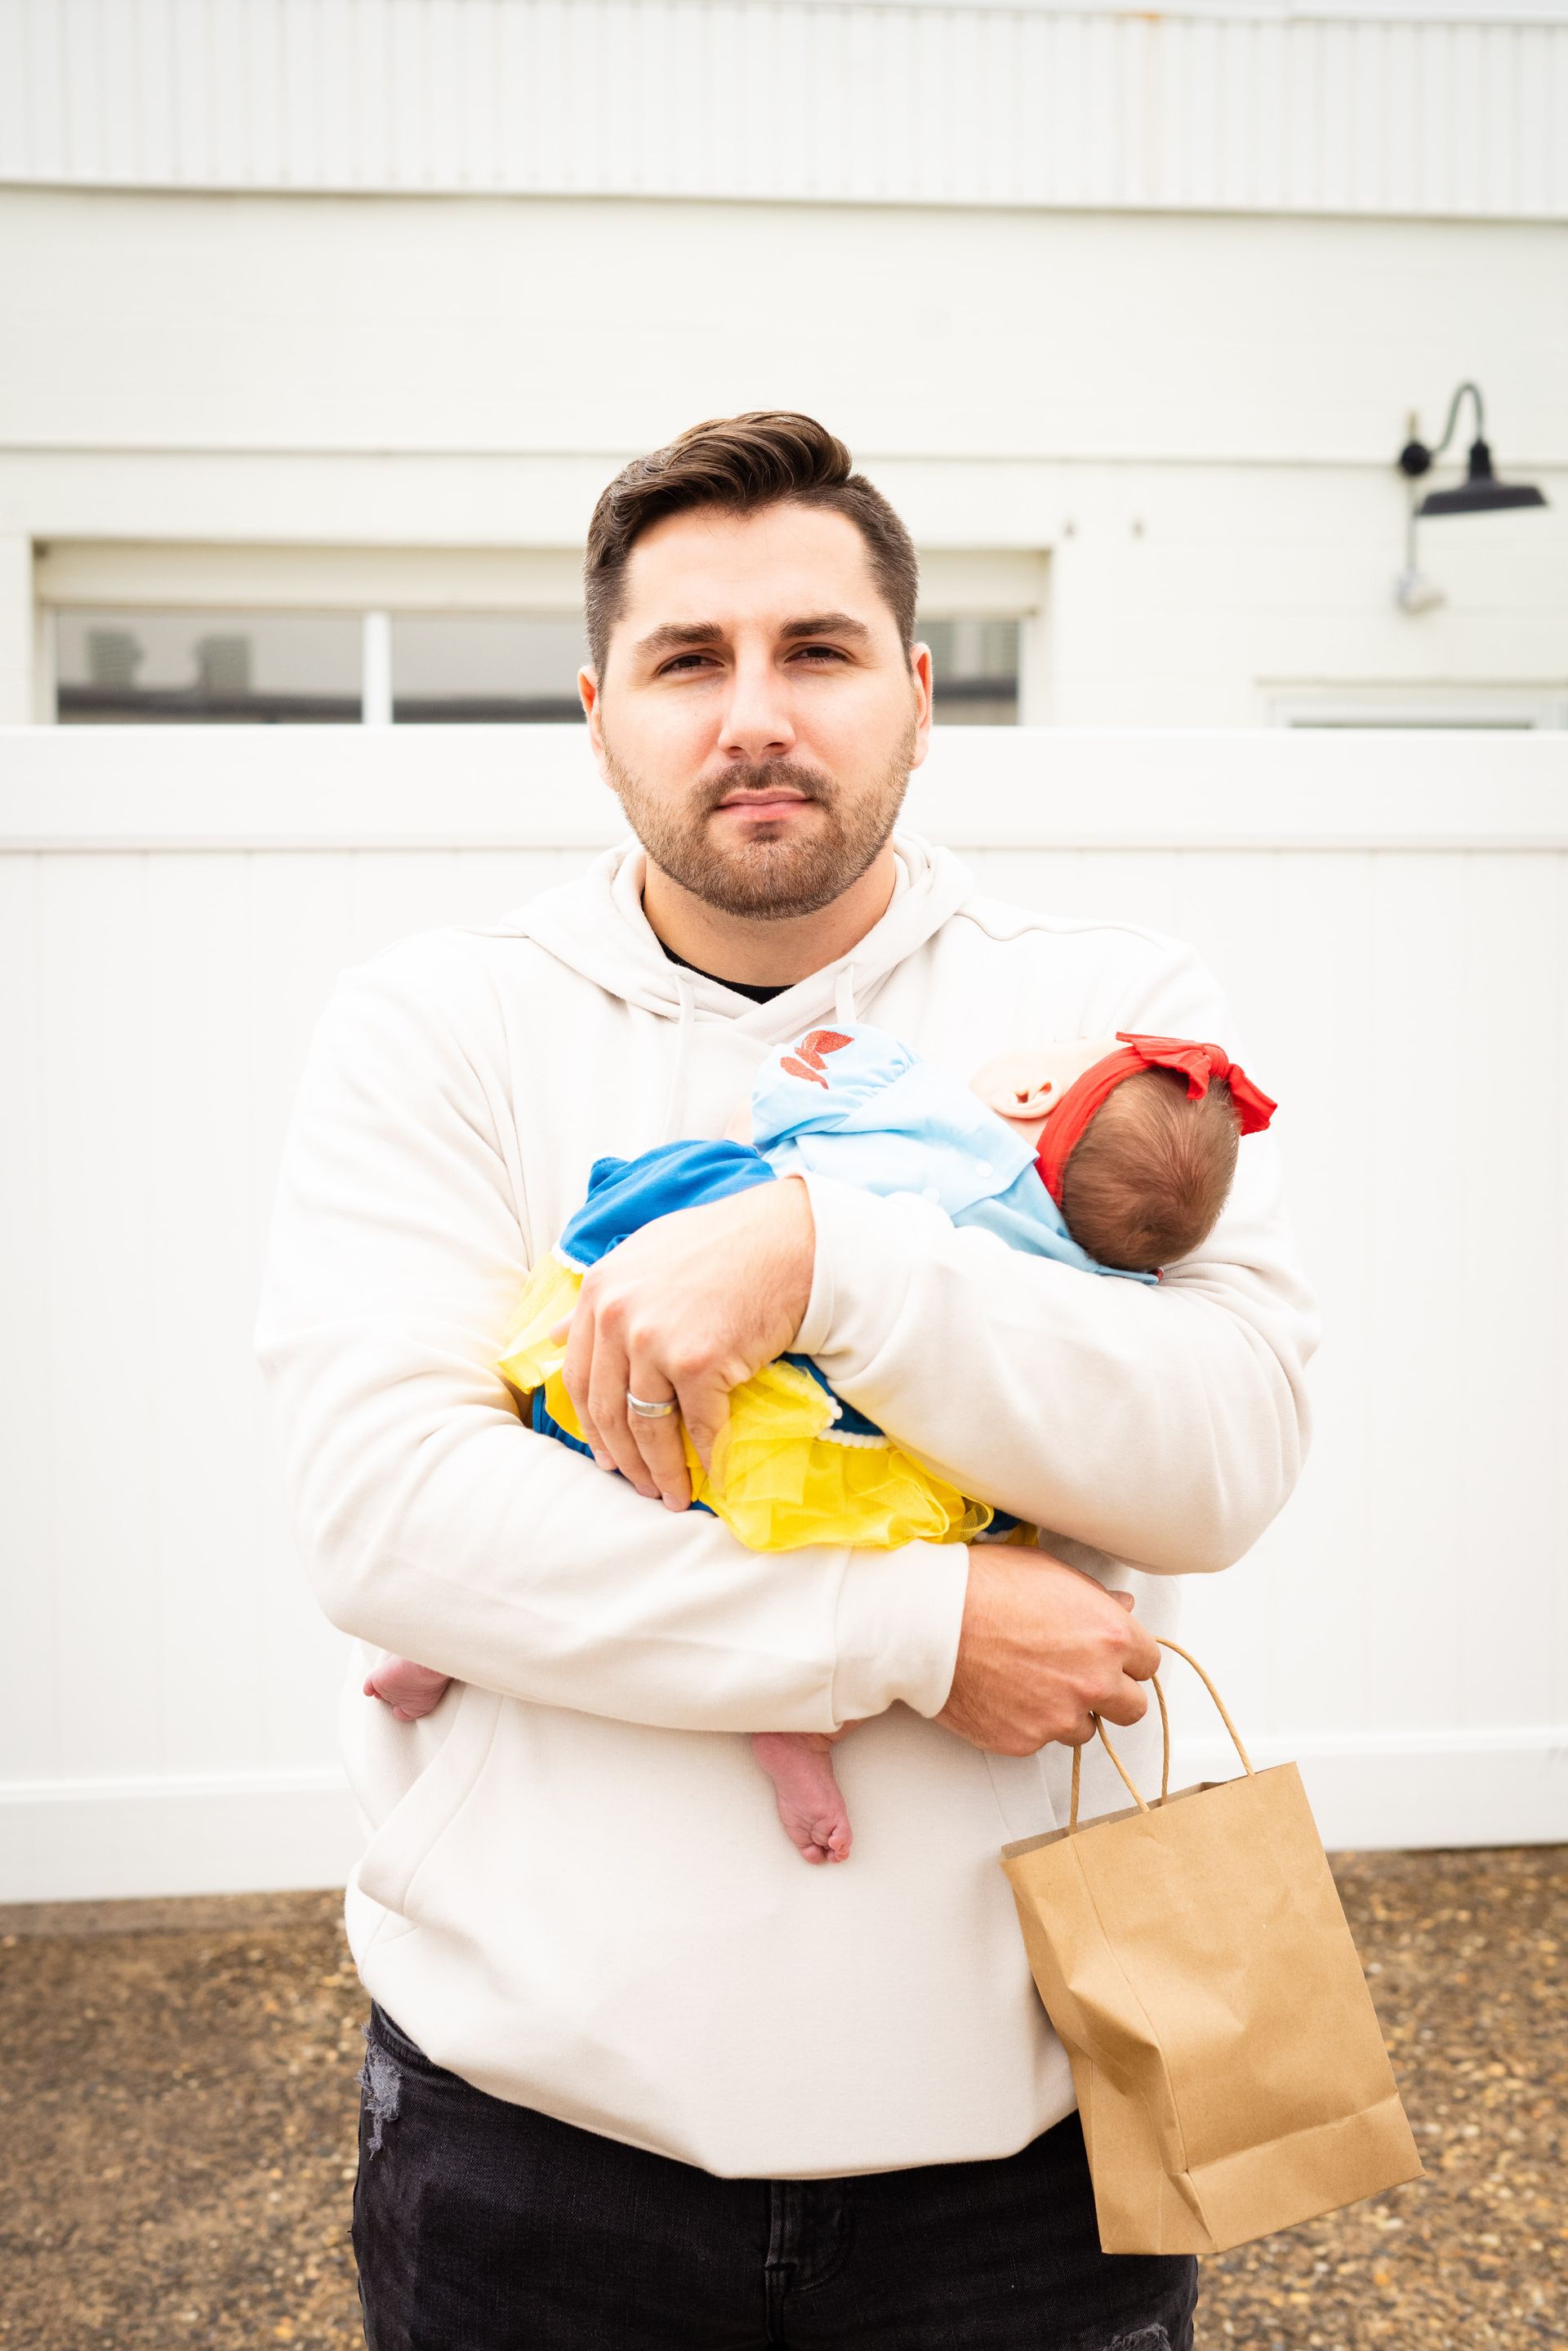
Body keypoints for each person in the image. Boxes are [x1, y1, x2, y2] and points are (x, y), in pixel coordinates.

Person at [255, 411, 1316, 2349]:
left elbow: (1224, 1453)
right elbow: (389, 1515)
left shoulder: (1105, 1018)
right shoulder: (440, 1026)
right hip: (533, 2166)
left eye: (815, 652)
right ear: (600, 711)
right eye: (688, 659)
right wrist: (912, 1624)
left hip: (1026, 2183)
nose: (754, 711)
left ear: (915, 693)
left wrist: (835, 1261)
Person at [364, 1019, 1278, 1869]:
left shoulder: (916, 1103)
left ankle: (447, 1646)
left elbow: (764, 1108)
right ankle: (797, 1726)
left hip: (692, 1359)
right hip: (839, 1446)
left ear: (1036, 1088)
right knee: (912, 1528)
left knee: (581, 1457)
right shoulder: (1082, 1262)